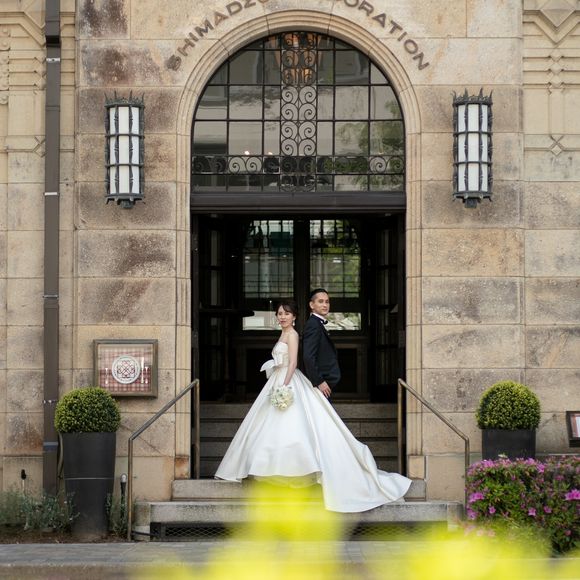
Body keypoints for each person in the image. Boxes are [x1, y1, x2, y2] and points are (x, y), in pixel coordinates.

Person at [215, 299, 412, 513]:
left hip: (287, 380)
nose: (282, 317)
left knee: (292, 425)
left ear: (294, 317)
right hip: (277, 379)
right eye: (280, 313)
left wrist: (284, 385)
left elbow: (293, 363)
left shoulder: (293, 335)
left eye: (286, 314)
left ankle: (295, 470)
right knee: (266, 426)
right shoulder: (282, 333)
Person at [302, 288, 340, 399]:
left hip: (324, 381)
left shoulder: (317, 323)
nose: (325, 305)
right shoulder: (313, 325)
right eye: (320, 301)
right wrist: (319, 381)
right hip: (320, 383)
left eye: (327, 302)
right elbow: (308, 356)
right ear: (311, 305)